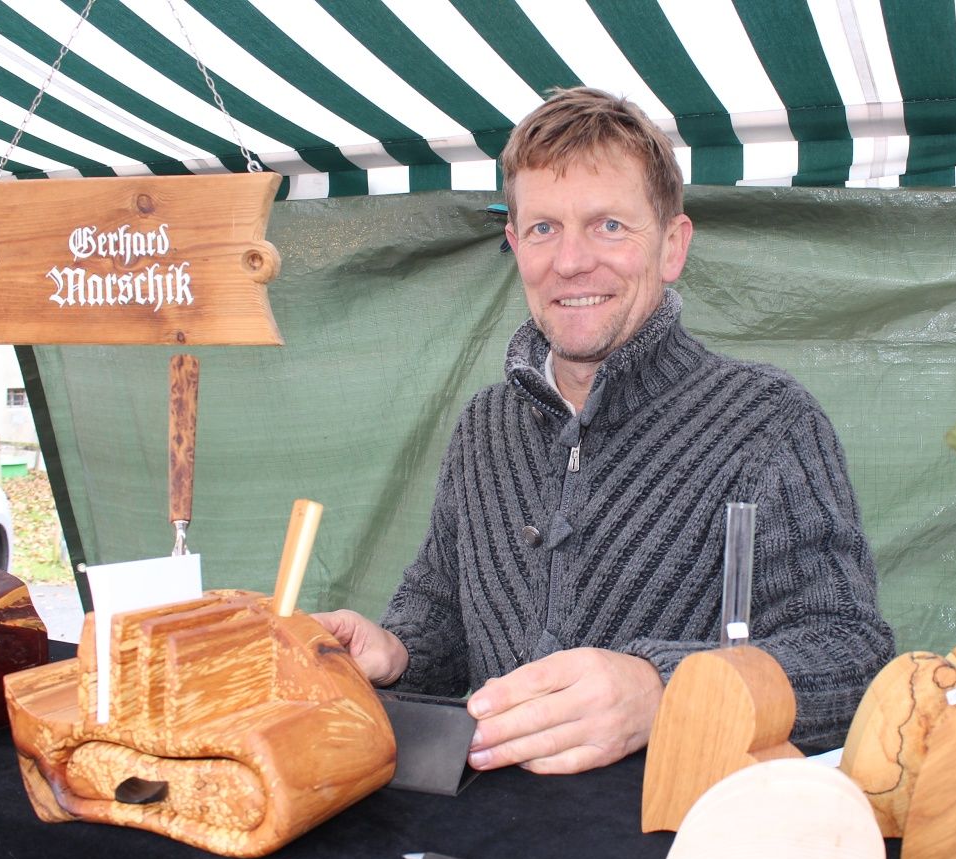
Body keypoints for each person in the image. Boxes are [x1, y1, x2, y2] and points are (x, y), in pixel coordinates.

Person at [314, 86, 894, 775]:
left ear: (672, 246)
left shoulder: (767, 422)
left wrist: (661, 690)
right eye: (543, 228)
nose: (570, 261)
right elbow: (441, 612)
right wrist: (396, 653)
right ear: (515, 246)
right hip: (489, 823)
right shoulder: (484, 428)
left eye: (609, 225)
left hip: (680, 830)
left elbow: (849, 656)